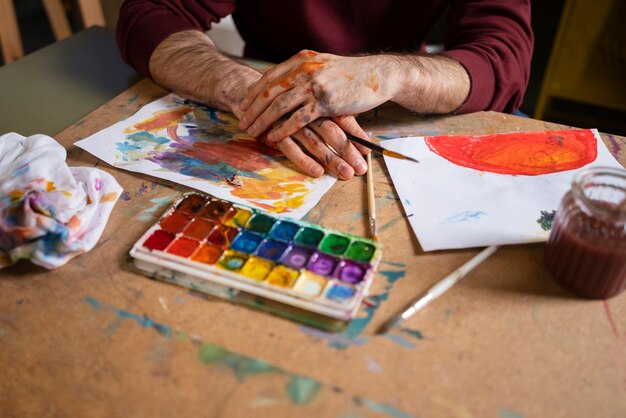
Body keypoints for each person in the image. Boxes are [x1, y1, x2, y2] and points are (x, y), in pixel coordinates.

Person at [117, 0, 533, 180]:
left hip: (398, 106)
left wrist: (392, 73)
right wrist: (252, 90)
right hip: (264, 93)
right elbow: (150, 14)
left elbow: (504, 57)